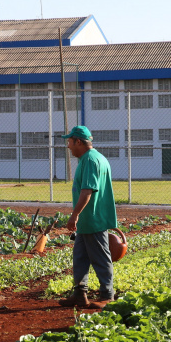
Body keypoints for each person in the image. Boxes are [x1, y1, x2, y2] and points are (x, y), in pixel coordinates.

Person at [58, 125, 118, 310]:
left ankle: (107, 295)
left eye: (70, 142)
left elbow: (87, 191)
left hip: (93, 217)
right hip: (87, 220)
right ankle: (79, 293)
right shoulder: (93, 158)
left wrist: (74, 215)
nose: (68, 146)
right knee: (80, 257)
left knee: (100, 257)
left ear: (78, 141)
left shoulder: (91, 160)